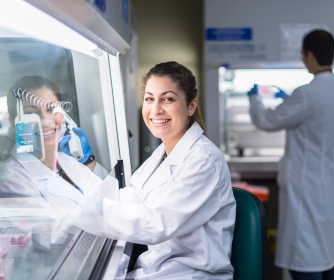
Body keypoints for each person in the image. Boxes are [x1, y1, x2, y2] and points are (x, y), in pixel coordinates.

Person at [60, 62, 236, 280]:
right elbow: (129, 197)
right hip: (161, 271)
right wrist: (84, 165)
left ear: (191, 106)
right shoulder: (162, 152)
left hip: (190, 275)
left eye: (168, 99)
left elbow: (156, 223)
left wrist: (80, 209)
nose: (156, 109)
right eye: (149, 98)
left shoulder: (204, 160)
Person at [248, 30, 334, 279]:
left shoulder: (306, 93)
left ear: (309, 55)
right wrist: (289, 98)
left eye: (303, 54)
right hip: (329, 183)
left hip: (306, 187)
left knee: (304, 257)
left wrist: (254, 100)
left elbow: (267, 121)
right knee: (328, 250)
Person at [0, 75, 108, 202]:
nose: (45, 121)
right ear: (14, 123)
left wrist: (89, 161)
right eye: (31, 113)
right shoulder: (11, 181)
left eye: (51, 109)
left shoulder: (70, 161)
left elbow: (112, 198)